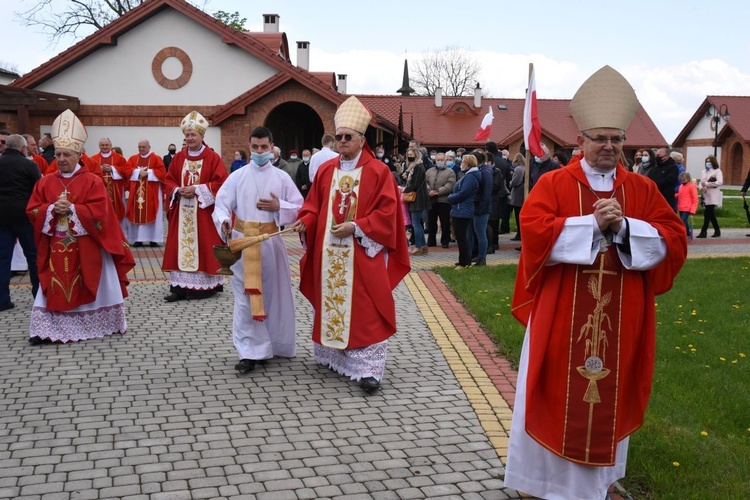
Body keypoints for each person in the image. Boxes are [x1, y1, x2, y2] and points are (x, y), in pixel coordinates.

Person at [505, 66, 687, 500]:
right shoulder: (553, 182)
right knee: (549, 392)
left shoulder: (641, 188)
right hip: (560, 314)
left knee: (610, 397)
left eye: (616, 139)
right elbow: (532, 230)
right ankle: (541, 483)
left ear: (625, 143)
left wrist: (625, 231)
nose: (609, 146)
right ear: (581, 140)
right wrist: (590, 225)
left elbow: (674, 239)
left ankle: (596, 486)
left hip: (621, 320)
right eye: (600, 138)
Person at [293, 96, 410, 394]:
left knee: (366, 306)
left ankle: (369, 368)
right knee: (332, 300)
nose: (342, 141)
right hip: (329, 253)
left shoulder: (378, 172)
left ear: (361, 139)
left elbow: (387, 215)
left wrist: (357, 226)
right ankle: (335, 355)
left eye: (348, 137)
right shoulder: (326, 170)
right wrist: (305, 220)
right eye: (338, 137)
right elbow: (314, 205)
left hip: (361, 252)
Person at [26, 109, 135, 344]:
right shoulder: (45, 182)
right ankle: (49, 329)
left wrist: (74, 210)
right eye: (58, 155)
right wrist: (51, 210)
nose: (62, 159)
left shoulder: (92, 181)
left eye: (66, 154)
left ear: (78, 155)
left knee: (89, 280)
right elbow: (33, 210)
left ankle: (99, 322)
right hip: (56, 245)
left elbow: (102, 213)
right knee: (54, 288)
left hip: (87, 246)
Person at [213, 126, 303, 373]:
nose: (260, 152)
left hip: (270, 241)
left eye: (264, 147)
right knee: (245, 299)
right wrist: (224, 222)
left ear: (272, 147)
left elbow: (299, 208)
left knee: (272, 295)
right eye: (255, 147)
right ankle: (249, 352)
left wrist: (278, 206)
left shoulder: (282, 177)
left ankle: (273, 343)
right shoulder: (237, 176)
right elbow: (220, 205)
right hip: (242, 244)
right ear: (249, 147)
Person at [162, 111, 228, 302]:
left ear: (202, 136)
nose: (190, 138)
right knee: (179, 246)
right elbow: (169, 180)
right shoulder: (179, 158)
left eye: (193, 135)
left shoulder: (212, 158)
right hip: (182, 211)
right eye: (187, 135)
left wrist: (198, 190)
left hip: (203, 213)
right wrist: (177, 190)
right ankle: (179, 288)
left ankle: (205, 287)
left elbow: (221, 183)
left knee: (204, 245)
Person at [0, 134, 41, 312]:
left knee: (2, 258)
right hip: (24, 216)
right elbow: (39, 189)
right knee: (33, 256)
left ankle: (2, 300)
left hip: (1, 216)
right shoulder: (29, 165)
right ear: (23, 148)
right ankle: (39, 296)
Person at [124, 140, 167, 247]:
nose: (141, 149)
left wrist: (148, 173)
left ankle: (153, 238)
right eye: (139, 147)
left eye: (143, 147)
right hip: (136, 193)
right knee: (137, 212)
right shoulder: (133, 158)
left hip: (152, 192)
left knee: (153, 211)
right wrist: (138, 172)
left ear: (149, 147)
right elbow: (126, 170)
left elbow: (162, 173)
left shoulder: (156, 158)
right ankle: (137, 239)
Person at [448, 154, 480, 268]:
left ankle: (464, 262)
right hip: (460, 209)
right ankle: (463, 259)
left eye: (462, 162)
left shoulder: (470, 177)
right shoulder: (468, 176)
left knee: (462, 237)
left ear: (467, 164)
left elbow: (463, 193)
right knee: (461, 236)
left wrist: (451, 198)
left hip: (462, 209)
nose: (461, 164)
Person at [90, 138, 129, 222]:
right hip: (100, 189)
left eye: (106, 145)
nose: (104, 147)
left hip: (116, 189)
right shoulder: (93, 159)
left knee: (117, 210)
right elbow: (89, 173)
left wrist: (112, 168)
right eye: (102, 145)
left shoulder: (119, 158)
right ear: (99, 146)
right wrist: (99, 169)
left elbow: (126, 170)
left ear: (111, 146)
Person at [402, 146, 431, 255]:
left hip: (418, 198)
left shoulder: (418, 167)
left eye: (411, 155)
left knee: (416, 224)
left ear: (416, 155)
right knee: (417, 223)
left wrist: (405, 189)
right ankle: (423, 246)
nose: (409, 157)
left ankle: (418, 246)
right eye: (408, 155)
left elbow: (415, 184)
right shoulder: (412, 167)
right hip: (417, 197)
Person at [425, 152, 456, 248]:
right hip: (431, 200)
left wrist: (438, 191)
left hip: (444, 200)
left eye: (442, 160)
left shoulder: (450, 172)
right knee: (431, 222)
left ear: (445, 160)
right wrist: (429, 190)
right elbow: (424, 182)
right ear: (435, 160)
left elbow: (450, 185)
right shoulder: (429, 171)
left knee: (445, 222)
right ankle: (431, 241)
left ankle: (445, 241)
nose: (440, 161)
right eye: (438, 160)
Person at [697, 155, 723, 238]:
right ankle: (717, 230)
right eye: (706, 162)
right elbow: (701, 182)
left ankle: (703, 231)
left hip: (713, 194)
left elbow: (720, 182)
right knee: (711, 214)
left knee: (707, 213)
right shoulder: (704, 171)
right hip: (706, 194)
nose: (708, 163)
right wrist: (701, 188)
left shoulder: (717, 171)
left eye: (709, 162)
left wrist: (707, 184)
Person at [675, 171, 698, 240]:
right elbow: (681, 194)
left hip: (687, 207)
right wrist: (675, 195)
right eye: (681, 180)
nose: (682, 181)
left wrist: (693, 210)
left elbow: (695, 199)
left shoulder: (691, 186)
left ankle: (681, 234)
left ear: (688, 179)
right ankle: (688, 233)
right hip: (681, 207)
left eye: (684, 180)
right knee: (684, 221)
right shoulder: (681, 186)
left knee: (682, 221)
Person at [508, 153, 525, 242]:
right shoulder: (526, 167)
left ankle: (519, 234)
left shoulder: (518, 169)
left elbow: (515, 182)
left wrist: (510, 183)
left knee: (517, 214)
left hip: (518, 194)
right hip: (523, 194)